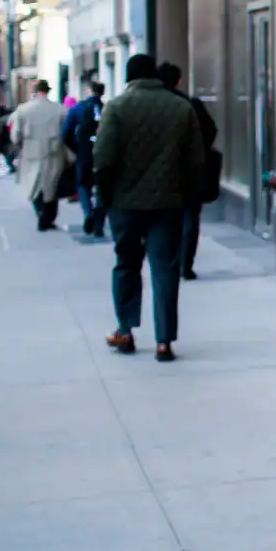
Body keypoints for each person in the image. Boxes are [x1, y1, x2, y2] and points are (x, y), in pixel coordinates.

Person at [94, 53, 205, 362]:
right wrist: (187, 195)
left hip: (125, 203)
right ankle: (164, 341)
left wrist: (104, 198)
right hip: (168, 203)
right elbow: (196, 159)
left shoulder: (116, 108)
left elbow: (102, 159)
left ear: (129, 78)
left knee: (126, 264)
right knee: (165, 268)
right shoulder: (180, 107)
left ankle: (126, 331)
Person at [155, 63, 218, 281]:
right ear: (179, 81)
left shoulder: (153, 107)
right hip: (191, 171)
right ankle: (186, 264)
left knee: (166, 219)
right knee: (190, 218)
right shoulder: (190, 104)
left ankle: (169, 259)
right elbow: (210, 131)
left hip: (162, 173)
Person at [6, 80, 69, 231]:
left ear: (34, 91)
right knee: (52, 186)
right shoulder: (60, 110)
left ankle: (40, 213)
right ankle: (48, 217)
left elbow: (16, 136)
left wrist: (20, 145)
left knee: (34, 185)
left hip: (31, 151)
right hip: (54, 151)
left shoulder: (23, 110)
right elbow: (67, 132)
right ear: (47, 91)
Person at [63, 80, 108, 236]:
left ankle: (88, 212)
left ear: (88, 91)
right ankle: (100, 221)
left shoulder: (77, 109)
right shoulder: (107, 109)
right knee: (103, 188)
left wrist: (76, 149)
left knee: (83, 185)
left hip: (84, 152)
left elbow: (66, 133)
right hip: (104, 154)